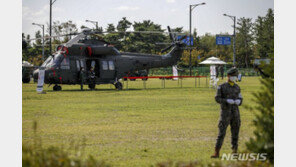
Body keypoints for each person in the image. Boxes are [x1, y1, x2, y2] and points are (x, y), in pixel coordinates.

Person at [211, 67, 243, 158]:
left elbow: (241, 99)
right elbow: (217, 98)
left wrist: (239, 101)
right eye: (233, 76)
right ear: (228, 76)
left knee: (235, 134)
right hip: (225, 114)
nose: (234, 77)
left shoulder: (237, 87)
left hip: (235, 114)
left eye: (235, 76)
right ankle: (216, 152)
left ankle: (234, 152)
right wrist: (226, 101)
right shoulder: (222, 86)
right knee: (221, 134)